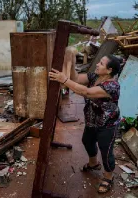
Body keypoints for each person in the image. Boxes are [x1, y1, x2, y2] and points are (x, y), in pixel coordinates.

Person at [49, 55, 121, 194]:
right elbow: (76, 79)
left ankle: (108, 177)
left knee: (106, 151)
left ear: (109, 70)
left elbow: (86, 91)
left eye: (101, 63)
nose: (98, 64)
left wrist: (63, 79)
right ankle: (93, 164)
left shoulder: (112, 86)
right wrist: (71, 60)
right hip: (92, 120)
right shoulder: (95, 77)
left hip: (107, 124)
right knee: (87, 141)